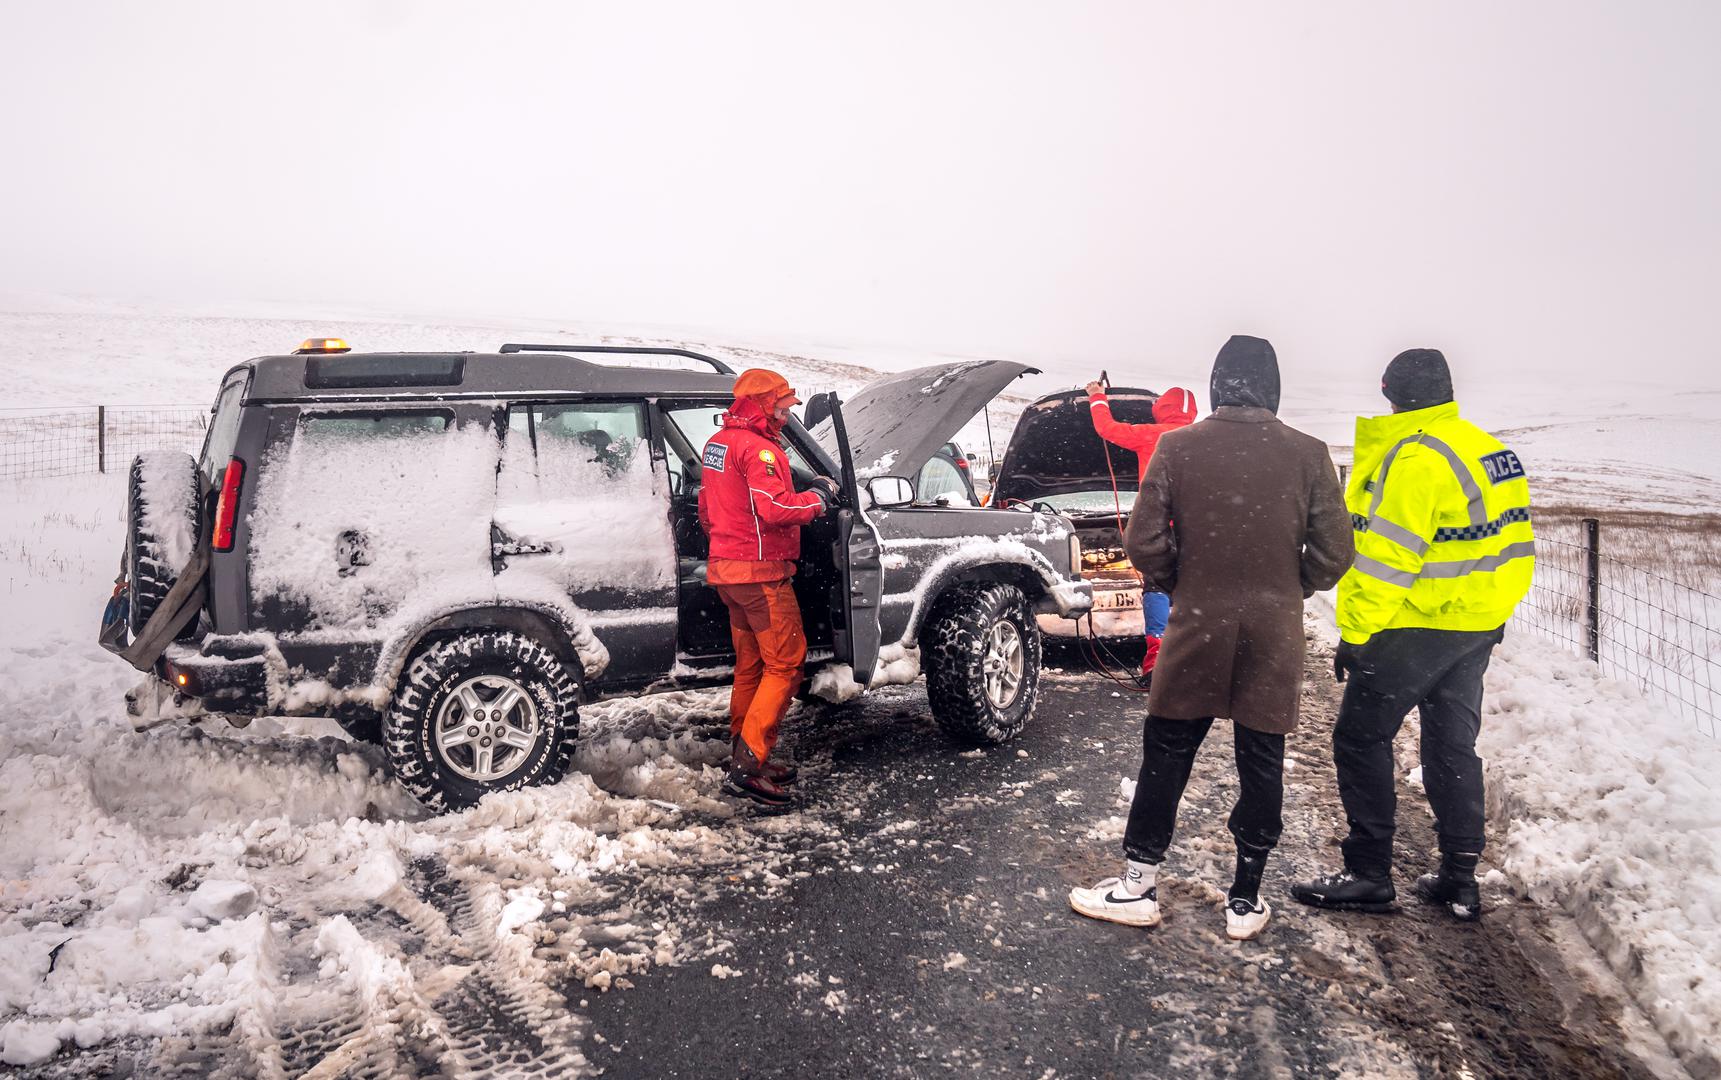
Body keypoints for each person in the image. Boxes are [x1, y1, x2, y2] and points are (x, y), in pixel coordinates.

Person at [1069, 336, 1354, 941]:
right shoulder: (1309, 454)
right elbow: (1335, 553)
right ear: (1273, 385)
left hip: (1195, 623)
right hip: (1273, 634)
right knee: (1262, 759)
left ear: (1219, 381)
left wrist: (1184, 585)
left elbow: (1143, 543)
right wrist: (1285, 588)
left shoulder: (1177, 446)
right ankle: (1245, 900)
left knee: (1168, 752)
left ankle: (1138, 885)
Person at [1293, 349, 1534, 921]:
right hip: (1476, 625)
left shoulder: (1417, 461)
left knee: (1359, 737)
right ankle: (1458, 877)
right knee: (1452, 746)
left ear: (1388, 392)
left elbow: (1385, 560)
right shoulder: (1493, 452)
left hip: (1414, 625)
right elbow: (1513, 543)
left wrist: (1356, 632)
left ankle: (1369, 872)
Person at [698, 368, 839, 808]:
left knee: (752, 666)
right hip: (760, 575)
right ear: (761, 404)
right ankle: (748, 767)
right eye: (781, 406)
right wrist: (820, 498)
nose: (785, 414)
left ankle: (745, 754)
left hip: (727, 571)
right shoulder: (759, 451)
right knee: (787, 665)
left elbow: (706, 508)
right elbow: (775, 508)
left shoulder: (716, 445)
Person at [1083, 381, 1199, 680]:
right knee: (1191, 592)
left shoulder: (1152, 434)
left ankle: (1156, 664)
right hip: (1199, 529)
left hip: (1158, 526)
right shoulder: (1205, 440)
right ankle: (1191, 664)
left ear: (1163, 409)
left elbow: (1107, 428)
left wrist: (1097, 396)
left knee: (1157, 588)